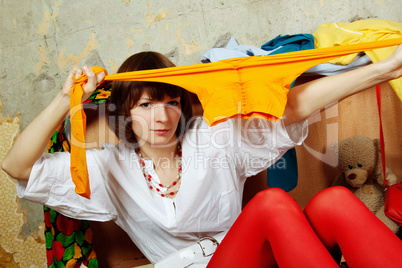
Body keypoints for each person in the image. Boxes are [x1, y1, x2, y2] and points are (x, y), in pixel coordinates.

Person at [2, 45, 402, 267]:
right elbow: (16, 166)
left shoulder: (212, 138)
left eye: (171, 102)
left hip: (253, 257)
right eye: (144, 105)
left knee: (333, 201)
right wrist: (65, 97)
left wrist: (383, 70)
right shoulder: (108, 167)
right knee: (271, 204)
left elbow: (291, 107)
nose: (161, 116)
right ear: (124, 112)